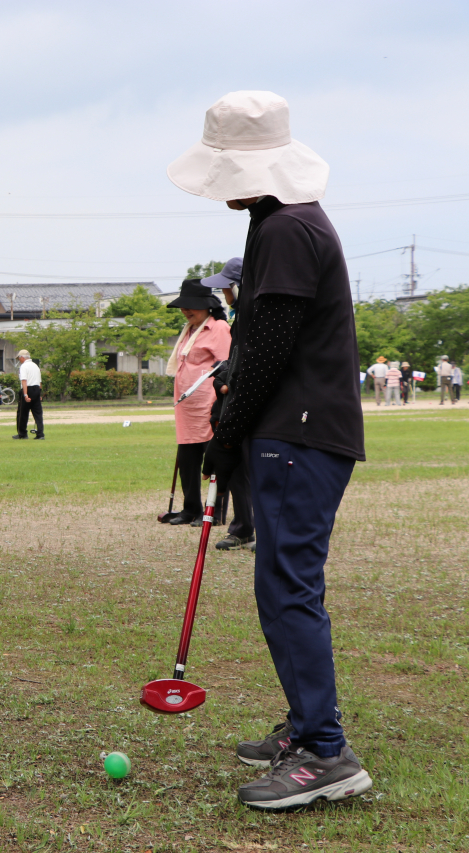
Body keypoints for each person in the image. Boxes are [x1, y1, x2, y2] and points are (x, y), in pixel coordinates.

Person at [171, 90, 371, 807]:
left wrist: (225, 436)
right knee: (280, 586)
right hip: (290, 429)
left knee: (289, 587)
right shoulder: (273, 222)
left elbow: (271, 349)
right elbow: (258, 345)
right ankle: (306, 725)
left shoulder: (287, 228)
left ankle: (326, 751)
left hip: (302, 430)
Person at [162, 280, 232, 526]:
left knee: (213, 458)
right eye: (184, 306)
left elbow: (226, 366)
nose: (187, 311)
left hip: (209, 402)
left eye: (192, 306)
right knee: (187, 458)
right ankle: (190, 508)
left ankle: (215, 512)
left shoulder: (219, 328)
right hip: (186, 406)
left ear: (207, 306)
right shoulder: (189, 329)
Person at [209, 361, 255, 551]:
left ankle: (279, 533)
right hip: (236, 420)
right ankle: (243, 529)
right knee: (237, 475)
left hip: (270, 419)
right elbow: (224, 380)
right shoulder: (236, 350)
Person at [14, 349, 44, 440]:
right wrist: (39, 394)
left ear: (22, 357)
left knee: (22, 413)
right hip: (36, 389)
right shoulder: (35, 366)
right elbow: (39, 381)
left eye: (19, 358)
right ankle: (40, 434)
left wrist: (25, 394)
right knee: (38, 413)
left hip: (28, 389)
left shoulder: (24, 366)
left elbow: (24, 380)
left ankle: (22, 433)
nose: (19, 360)